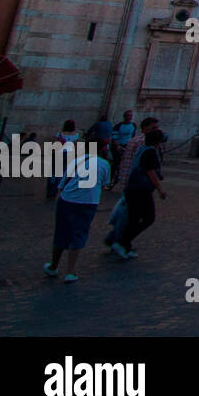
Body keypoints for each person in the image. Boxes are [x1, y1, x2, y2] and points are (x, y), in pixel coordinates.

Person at [43, 142, 110, 283]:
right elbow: (104, 185)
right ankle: (71, 271)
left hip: (68, 200)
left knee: (62, 232)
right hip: (89, 202)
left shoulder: (76, 162)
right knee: (79, 233)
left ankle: (54, 266)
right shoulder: (104, 164)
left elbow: (63, 182)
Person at [114, 129, 167, 259]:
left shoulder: (142, 148)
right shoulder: (150, 152)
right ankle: (121, 242)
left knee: (134, 218)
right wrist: (160, 189)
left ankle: (125, 245)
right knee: (148, 218)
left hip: (133, 187)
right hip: (141, 189)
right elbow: (151, 172)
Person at [46, 120, 80, 199]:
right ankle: (58, 191)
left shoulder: (60, 134)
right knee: (63, 173)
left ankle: (50, 191)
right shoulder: (76, 135)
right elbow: (75, 147)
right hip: (69, 155)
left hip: (59, 154)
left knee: (53, 172)